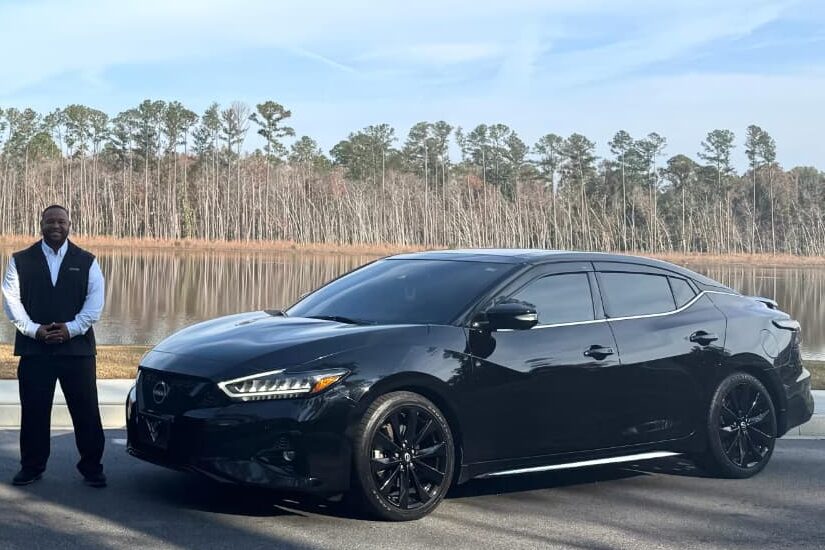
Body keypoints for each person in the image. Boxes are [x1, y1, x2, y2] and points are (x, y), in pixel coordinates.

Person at [1, 205, 106, 488]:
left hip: (78, 351)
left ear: (69, 224)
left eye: (61, 221)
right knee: (34, 411)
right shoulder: (20, 260)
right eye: (50, 221)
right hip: (35, 350)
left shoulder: (87, 261)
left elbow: (94, 305)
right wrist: (34, 331)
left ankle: (92, 467)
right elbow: (12, 302)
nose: (56, 226)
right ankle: (32, 466)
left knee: (86, 410)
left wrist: (71, 329)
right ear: (41, 224)